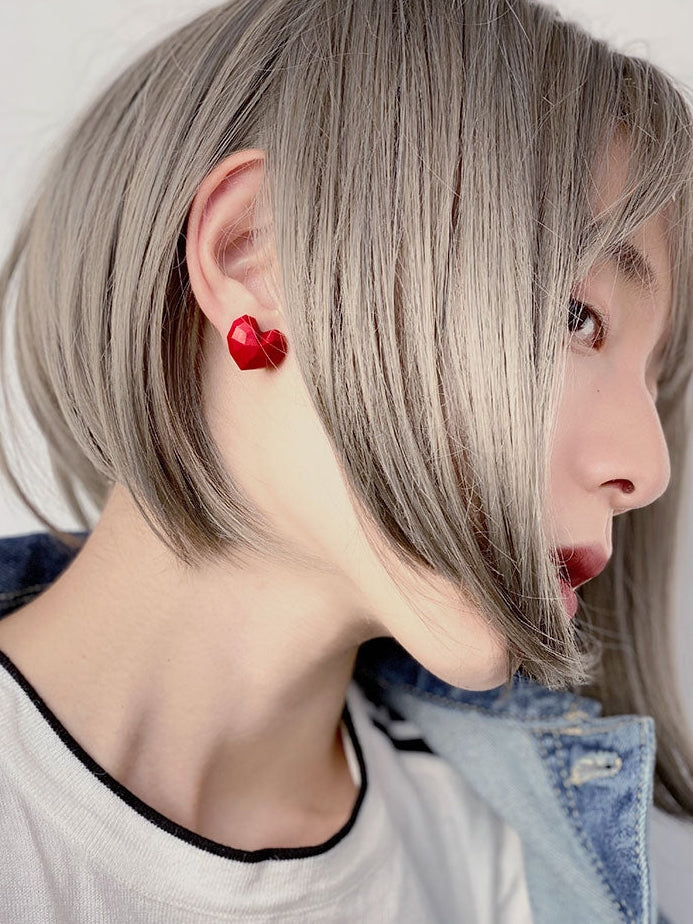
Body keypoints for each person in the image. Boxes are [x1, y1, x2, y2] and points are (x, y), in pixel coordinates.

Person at [0, 0, 691, 920]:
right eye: (577, 316)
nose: (648, 469)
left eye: (653, 378)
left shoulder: (502, 866)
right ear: (255, 252)